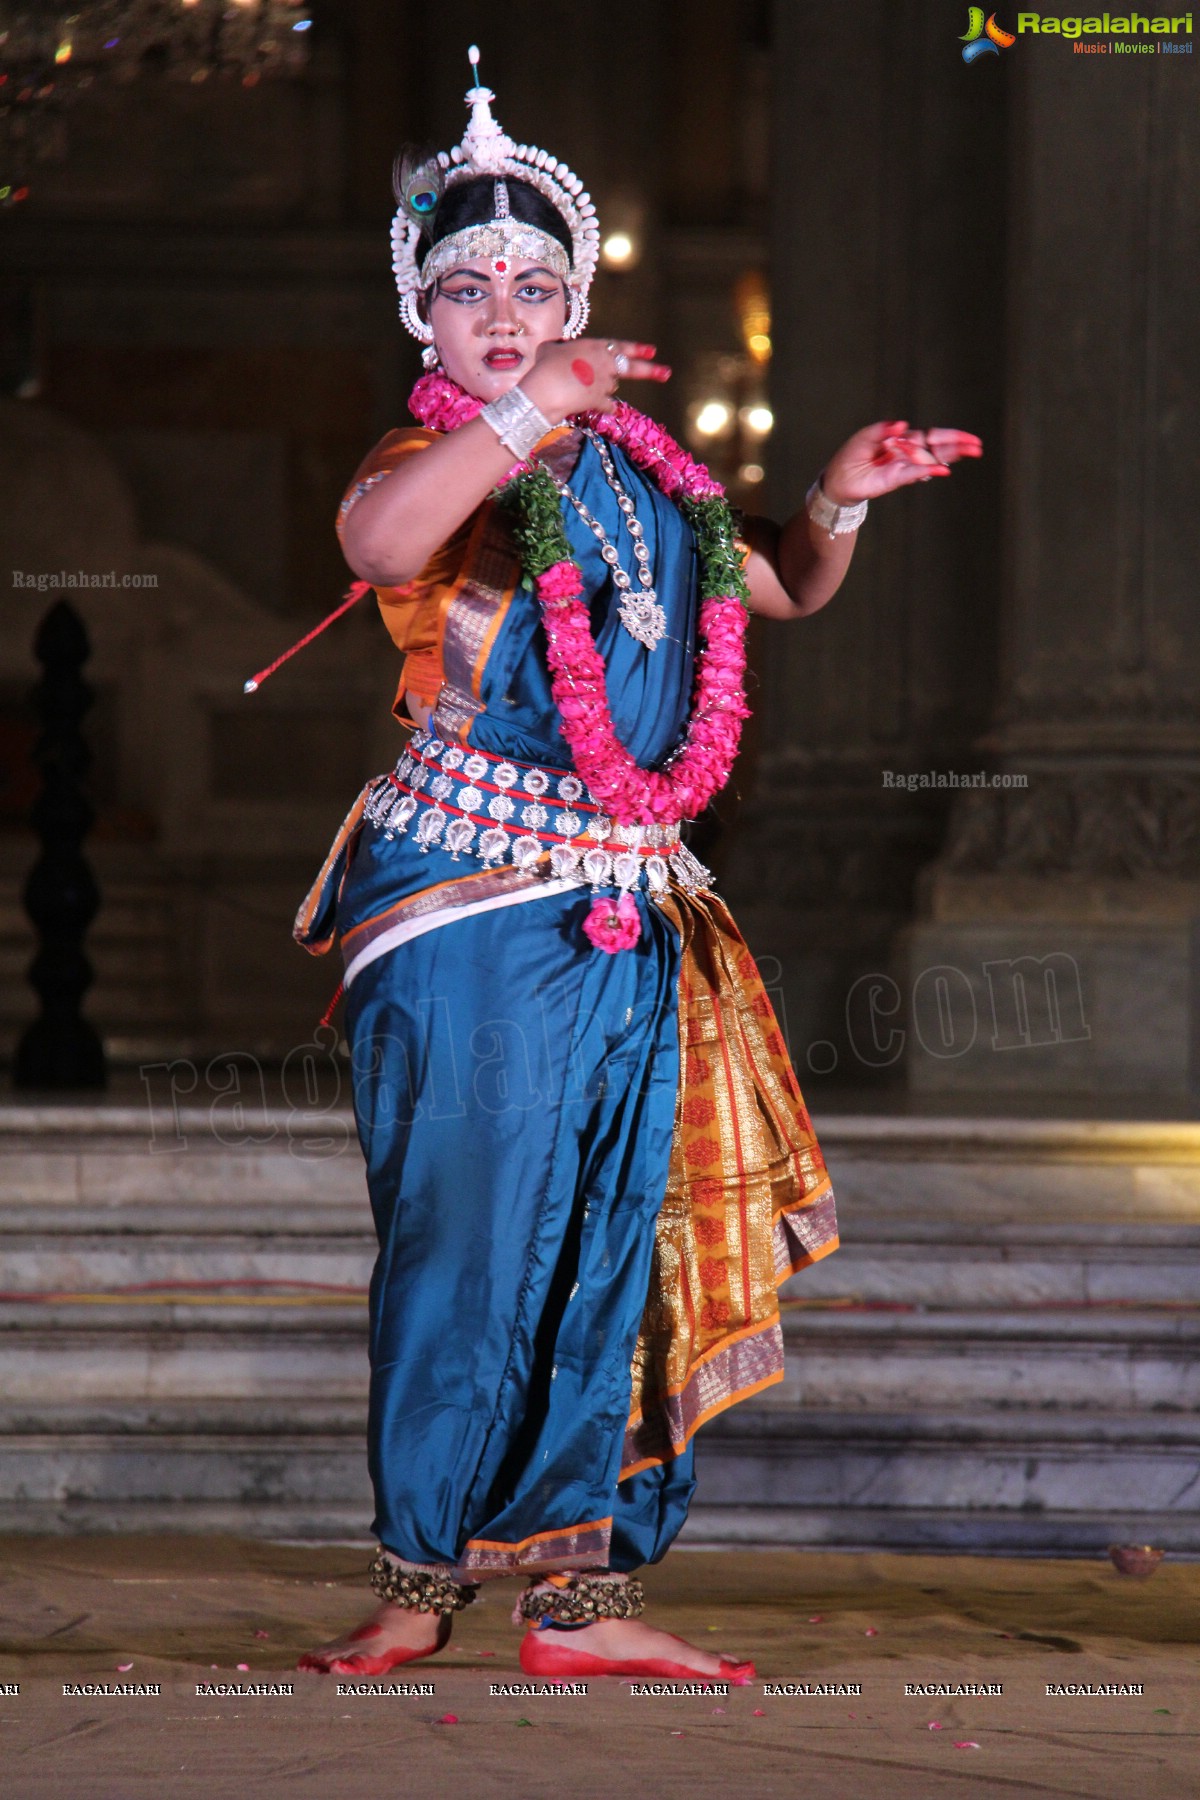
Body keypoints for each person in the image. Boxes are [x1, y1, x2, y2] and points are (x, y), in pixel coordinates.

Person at [292, 49, 982, 1682]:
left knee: (614, 1245)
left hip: (632, 907)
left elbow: (777, 594)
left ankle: (574, 1600)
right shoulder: (437, 463)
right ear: (425, 319)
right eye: (469, 290)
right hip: (464, 908)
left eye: (538, 284)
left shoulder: (638, 480)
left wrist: (840, 498)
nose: (507, 312)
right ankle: (414, 1580)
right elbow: (379, 550)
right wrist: (531, 408)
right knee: (463, 1236)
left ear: (578, 289)